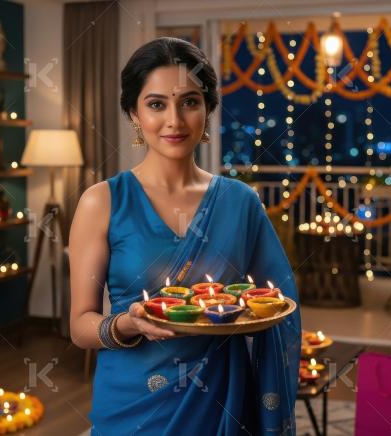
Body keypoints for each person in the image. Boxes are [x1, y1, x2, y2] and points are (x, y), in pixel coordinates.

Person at [68, 36, 301, 435]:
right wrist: (127, 324)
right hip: (132, 404)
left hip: (221, 403)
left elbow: (278, 304)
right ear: (133, 113)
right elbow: (80, 326)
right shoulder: (102, 201)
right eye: (156, 104)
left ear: (208, 109)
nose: (174, 120)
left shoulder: (240, 202)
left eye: (190, 102)